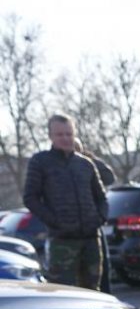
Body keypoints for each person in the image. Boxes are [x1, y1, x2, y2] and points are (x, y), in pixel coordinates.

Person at [22, 114, 108, 289]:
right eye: (60, 134)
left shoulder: (86, 164)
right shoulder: (40, 162)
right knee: (62, 292)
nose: (65, 138)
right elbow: (30, 198)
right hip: (62, 242)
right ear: (51, 136)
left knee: (94, 293)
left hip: (91, 239)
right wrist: (56, 222)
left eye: (69, 134)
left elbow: (101, 197)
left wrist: (99, 219)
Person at [74, 137, 116, 292]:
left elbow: (109, 177)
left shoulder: (88, 166)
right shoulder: (57, 167)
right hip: (68, 229)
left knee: (101, 267)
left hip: (91, 224)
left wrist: (89, 159)